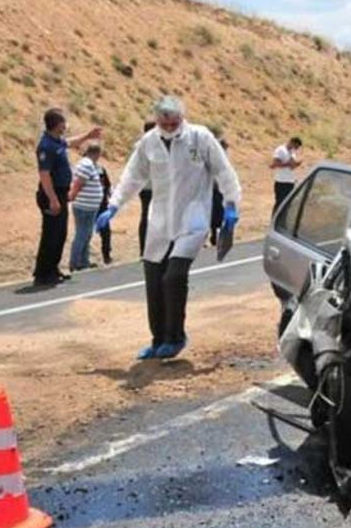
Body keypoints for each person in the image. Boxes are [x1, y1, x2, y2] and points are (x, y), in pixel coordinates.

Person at [97, 96, 242, 360]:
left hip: (193, 217)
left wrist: (231, 204)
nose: (169, 128)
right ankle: (158, 340)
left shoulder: (200, 137)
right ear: (157, 121)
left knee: (174, 276)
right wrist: (114, 205)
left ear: (182, 118)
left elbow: (224, 171)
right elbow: (132, 176)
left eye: (174, 123)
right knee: (154, 279)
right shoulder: (149, 143)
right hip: (161, 219)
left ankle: (176, 337)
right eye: (164, 124)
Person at [32, 108, 101, 287]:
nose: (65, 125)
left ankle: (53, 269)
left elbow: (70, 143)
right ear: (56, 124)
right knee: (51, 234)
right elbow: (44, 175)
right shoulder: (46, 146)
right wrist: (53, 199)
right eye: (63, 122)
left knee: (60, 233)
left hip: (61, 193)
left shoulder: (56, 141)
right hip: (52, 193)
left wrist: (88, 136)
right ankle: (43, 273)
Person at [67, 142, 106, 272]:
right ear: (96, 153)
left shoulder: (88, 164)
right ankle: (75, 262)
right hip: (84, 206)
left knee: (87, 234)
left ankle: (83, 261)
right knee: (82, 234)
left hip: (89, 206)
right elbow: (78, 184)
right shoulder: (86, 165)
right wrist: (72, 196)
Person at [269, 136, 302, 216]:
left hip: (290, 181)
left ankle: (283, 220)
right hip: (281, 181)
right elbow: (274, 164)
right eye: (296, 146)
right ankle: (275, 220)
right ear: (292, 142)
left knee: (288, 203)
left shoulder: (292, 152)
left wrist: (296, 164)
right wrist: (288, 164)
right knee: (280, 203)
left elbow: (291, 166)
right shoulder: (280, 150)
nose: (296, 149)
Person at [138, 120, 155, 255]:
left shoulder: (139, 145)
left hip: (145, 186)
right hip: (151, 186)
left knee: (146, 216)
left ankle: (145, 248)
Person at [210, 138, 230, 246]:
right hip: (214, 188)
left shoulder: (224, 156)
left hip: (220, 188)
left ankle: (217, 235)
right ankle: (214, 236)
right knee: (215, 213)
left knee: (220, 212)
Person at [97, 153, 114, 265]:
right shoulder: (84, 169)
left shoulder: (101, 170)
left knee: (106, 232)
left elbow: (108, 185)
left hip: (102, 204)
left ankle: (106, 254)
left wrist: (110, 197)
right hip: (89, 205)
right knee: (86, 232)